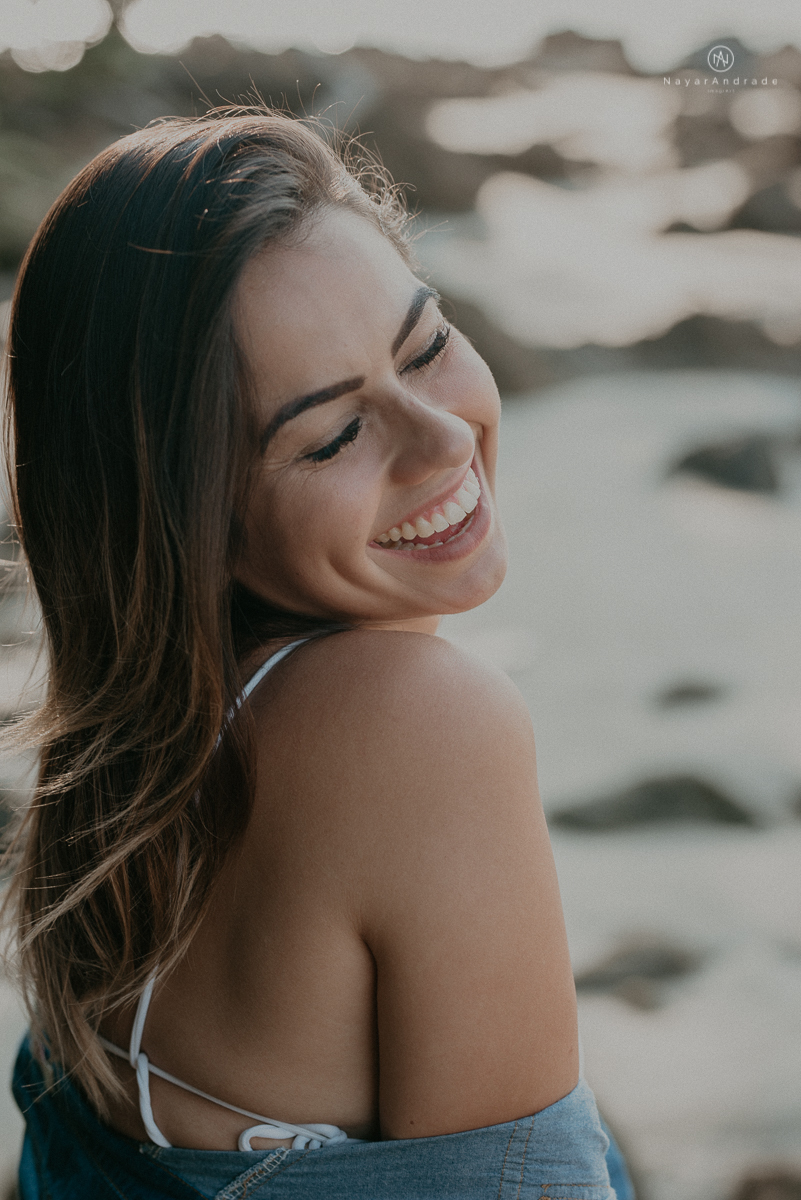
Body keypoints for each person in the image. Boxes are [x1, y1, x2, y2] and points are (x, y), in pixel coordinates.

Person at [3, 108, 633, 1199]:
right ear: (190, 517)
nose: (444, 436)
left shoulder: (117, 785)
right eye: (333, 434)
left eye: (425, 345)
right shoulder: (421, 724)